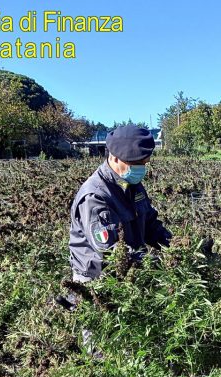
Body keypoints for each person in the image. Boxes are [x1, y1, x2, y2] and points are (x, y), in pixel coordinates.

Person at [57, 124, 172, 313]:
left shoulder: (131, 184)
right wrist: (154, 262)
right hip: (97, 279)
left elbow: (151, 223)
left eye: (144, 164)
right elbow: (111, 251)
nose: (141, 169)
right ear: (115, 157)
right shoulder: (95, 197)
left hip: (129, 270)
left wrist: (176, 247)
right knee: (101, 336)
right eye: (136, 165)